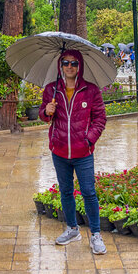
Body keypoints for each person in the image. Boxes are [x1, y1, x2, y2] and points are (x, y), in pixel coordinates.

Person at [39, 50, 108, 255]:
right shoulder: (52, 90)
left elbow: (100, 119)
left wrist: (89, 139)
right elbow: (44, 116)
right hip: (59, 151)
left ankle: (95, 234)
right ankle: (72, 229)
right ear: (61, 66)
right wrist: (46, 111)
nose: (70, 67)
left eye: (74, 63)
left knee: (88, 192)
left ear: (80, 66)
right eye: (66, 63)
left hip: (83, 153)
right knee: (66, 191)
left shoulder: (91, 90)